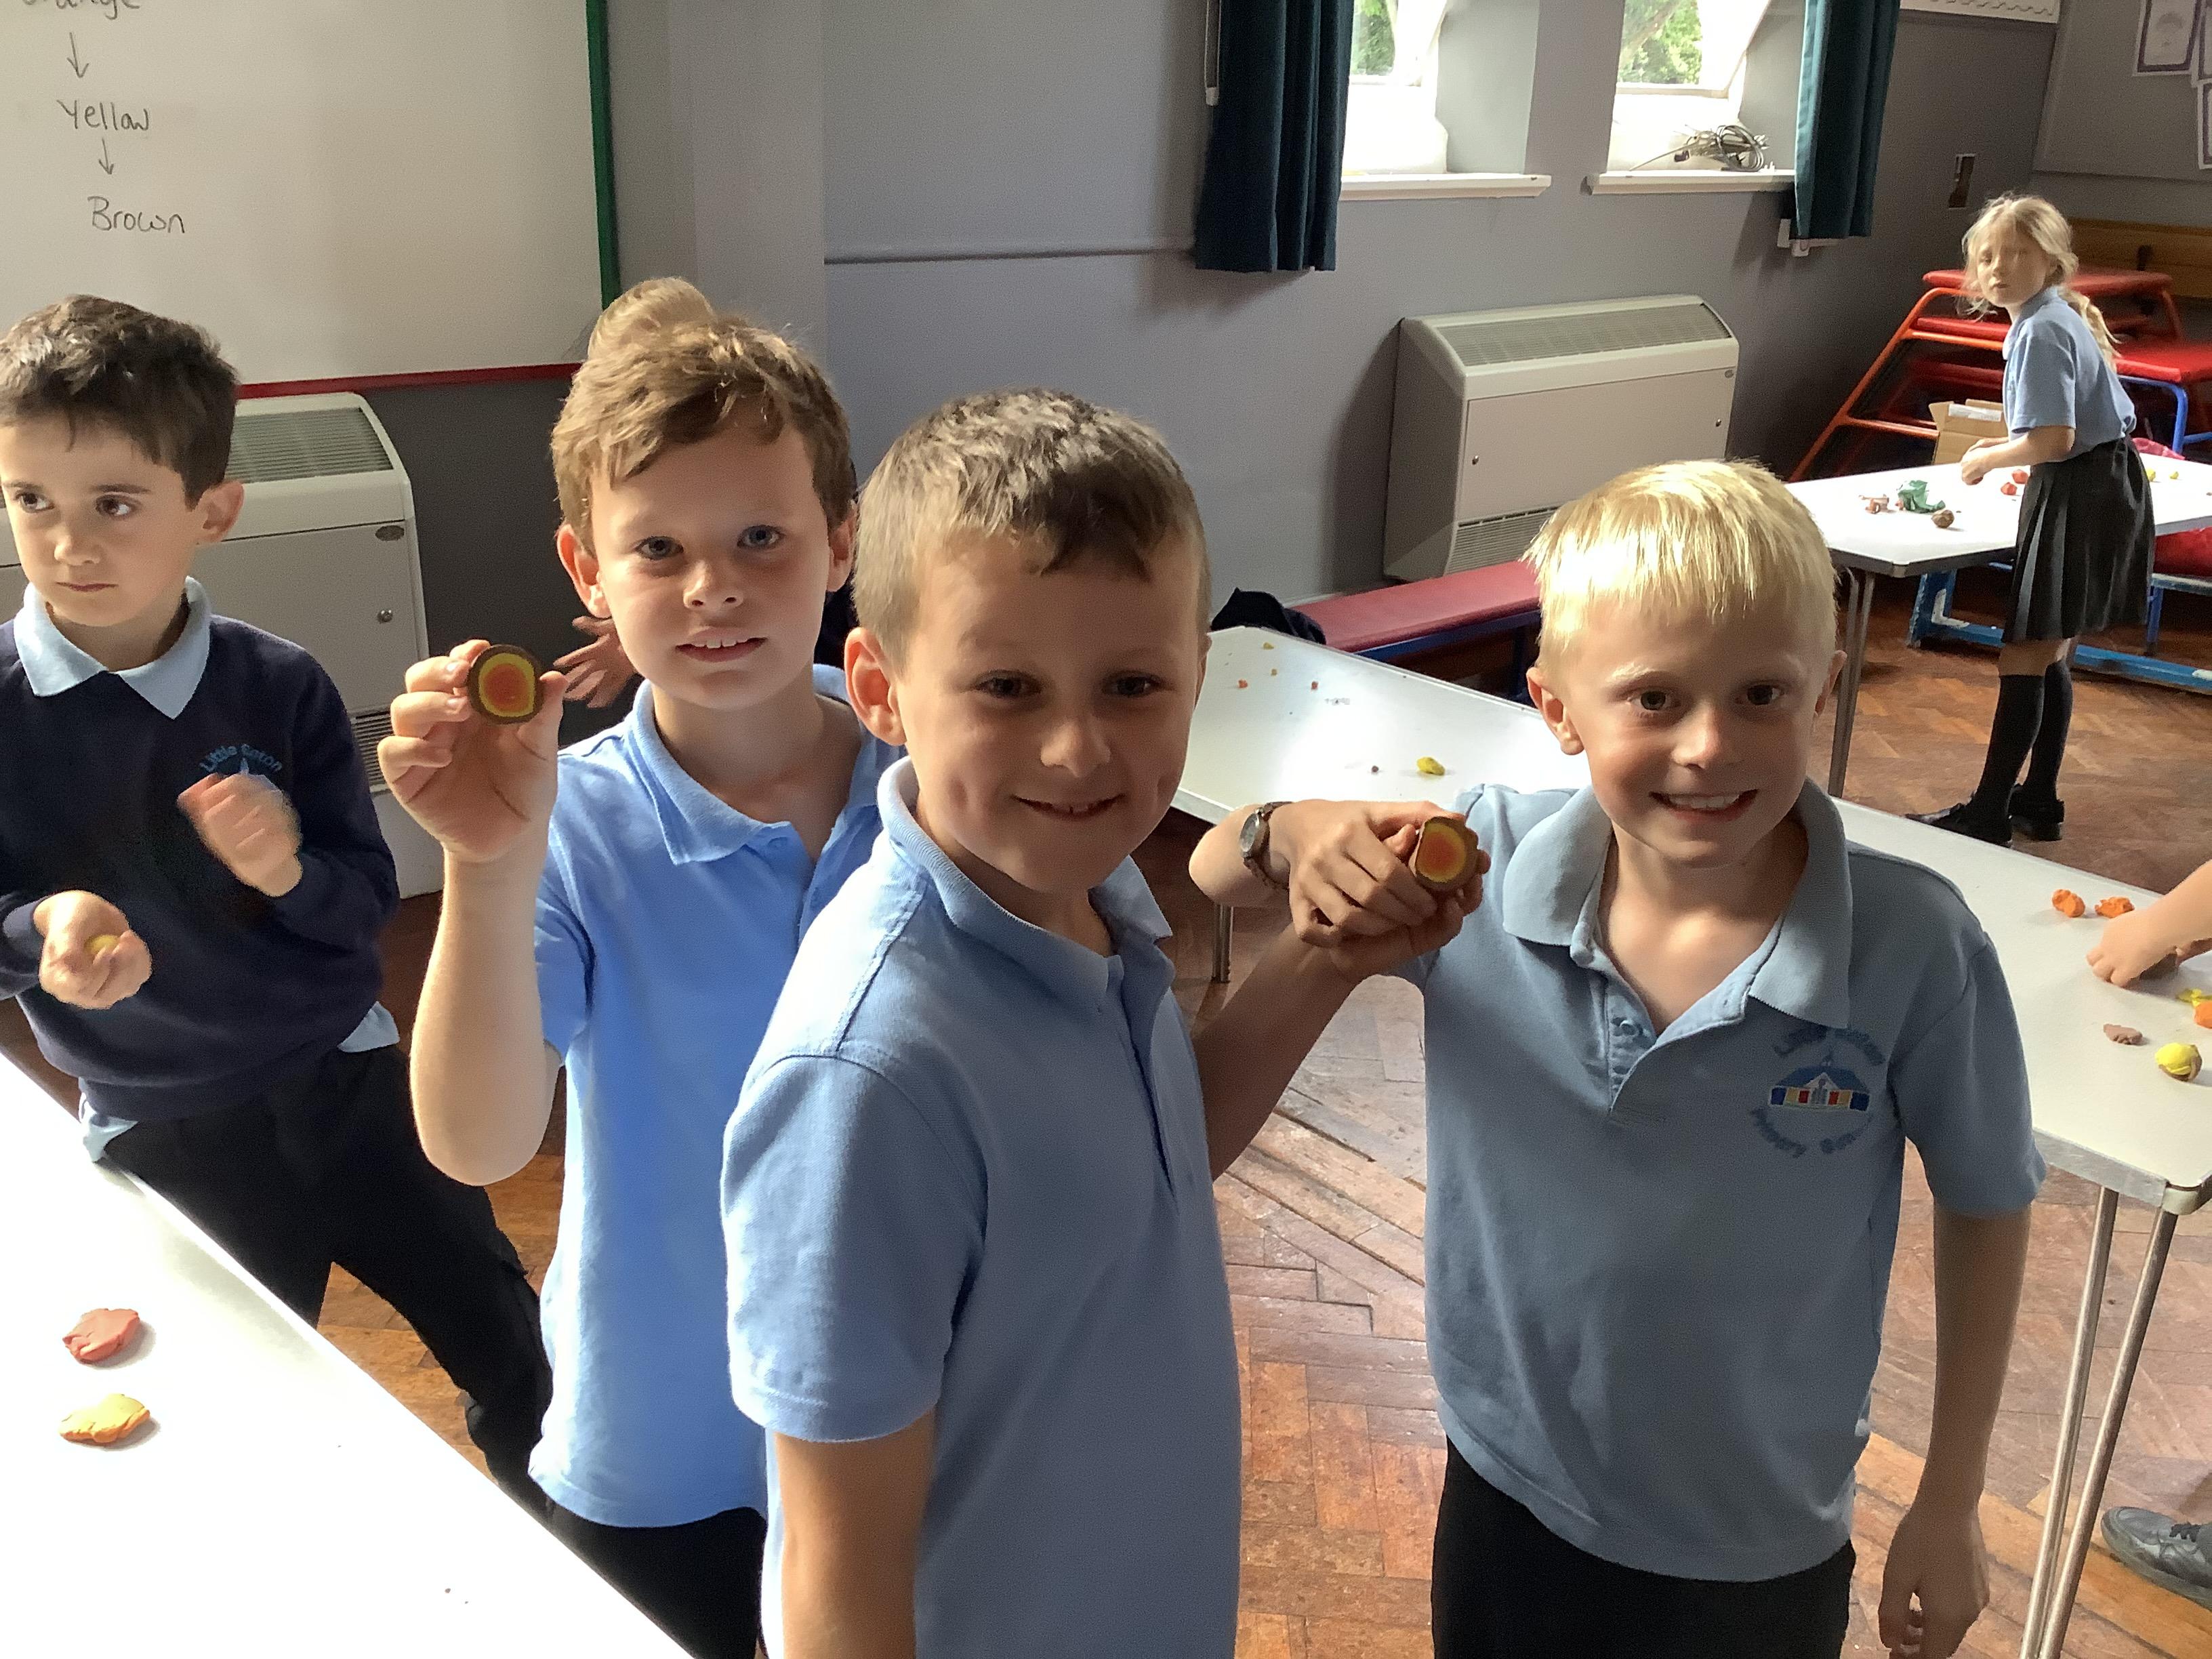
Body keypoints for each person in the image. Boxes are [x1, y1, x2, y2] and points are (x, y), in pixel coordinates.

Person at [1191, 460, 2043, 1659]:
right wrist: (1289, 829)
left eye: (1761, 693)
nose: (1709, 744)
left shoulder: (1912, 944)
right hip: (1505, 1482)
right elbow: (1210, 873)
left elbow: (1987, 1198)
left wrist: (1951, 1496)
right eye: (1652, 698)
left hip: (1752, 1537)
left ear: (1824, 688)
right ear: (1556, 709)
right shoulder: (1475, 865)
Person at [720, 388, 1468, 1658]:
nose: (1076, 752)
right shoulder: (870, 1076)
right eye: (1007, 686)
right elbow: (834, 1579)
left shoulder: (1088, 897)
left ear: (1198, 678)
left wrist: (1321, 957)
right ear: (881, 690)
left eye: (1131, 685)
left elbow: (1151, 1155)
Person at [379, 279, 880, 1659]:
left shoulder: (928, 786)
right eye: (656, 547)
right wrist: (487, 861)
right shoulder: (573, 822)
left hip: (907, 1405)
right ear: (587, 572)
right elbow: (476, 1141)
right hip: (668, 1432)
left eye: (761, 536)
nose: (712, 585)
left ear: (840, 539)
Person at [0, 295, 549, 1502]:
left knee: (512, 1350)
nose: (67, 543)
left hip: (351, 1082)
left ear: (213, 511)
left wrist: (288, 872)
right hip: (165, 1128)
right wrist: (40, 932)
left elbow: (364, 900)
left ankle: (579, 1547)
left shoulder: (281, 685)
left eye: (114, 503)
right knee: (245, 1422)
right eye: (31, 499)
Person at [1912, 194, 2156, 845]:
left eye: (2017, 254)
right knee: (2050, 650)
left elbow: (2053, 439)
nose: (1999, 268)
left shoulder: (2041, 329)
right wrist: (2010, 448)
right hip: (2100, 480)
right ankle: (2040, 800)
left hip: (2081, 487)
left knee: (2026, 653)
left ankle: (1989, 812)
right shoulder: (2050, 317)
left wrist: (1986, 457)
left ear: (2051, 262)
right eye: (1987, 257)